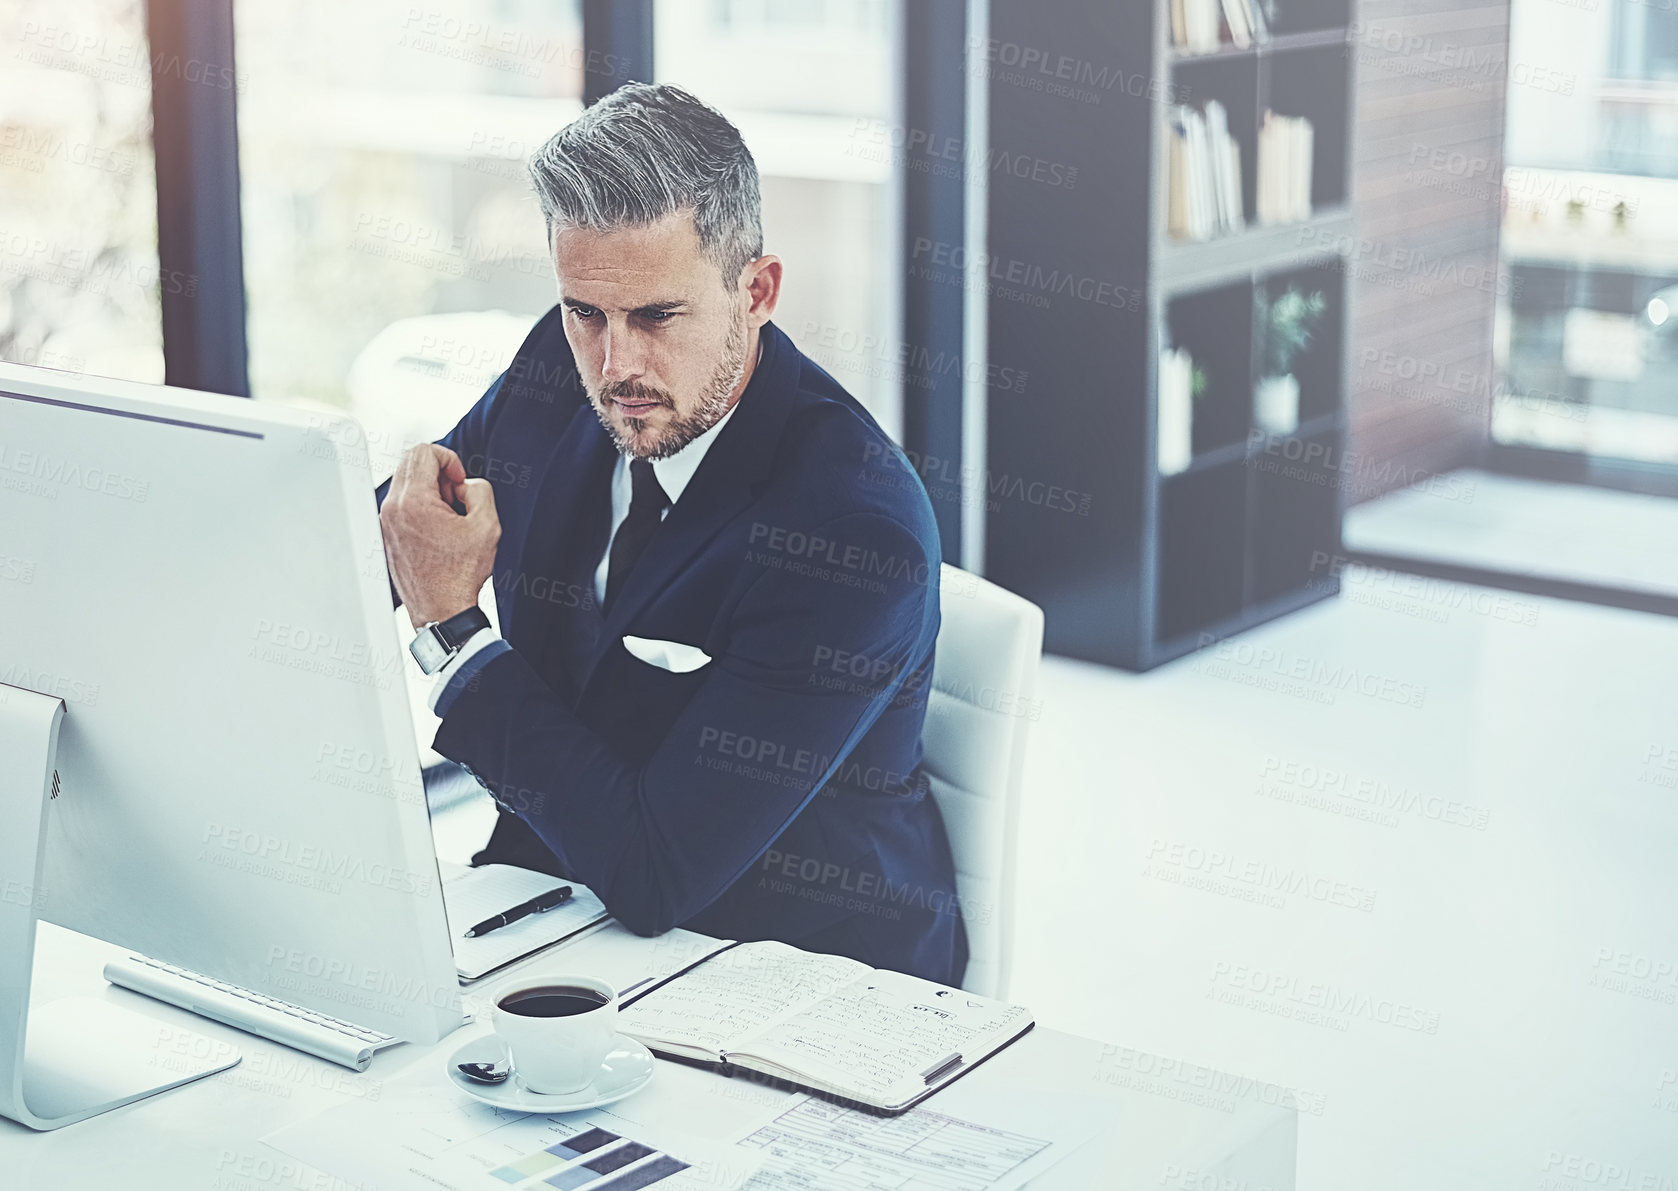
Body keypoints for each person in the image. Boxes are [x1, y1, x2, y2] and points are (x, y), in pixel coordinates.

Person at [377, 83, 966, 985]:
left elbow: (656, 873)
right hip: (558, 905)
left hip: (791, 973)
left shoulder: (857, 535)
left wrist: (453, 633)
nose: (617, 367)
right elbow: (400, 535)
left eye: (657, 316)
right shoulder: (558, 359)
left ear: (757, 290)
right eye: (586, 313)